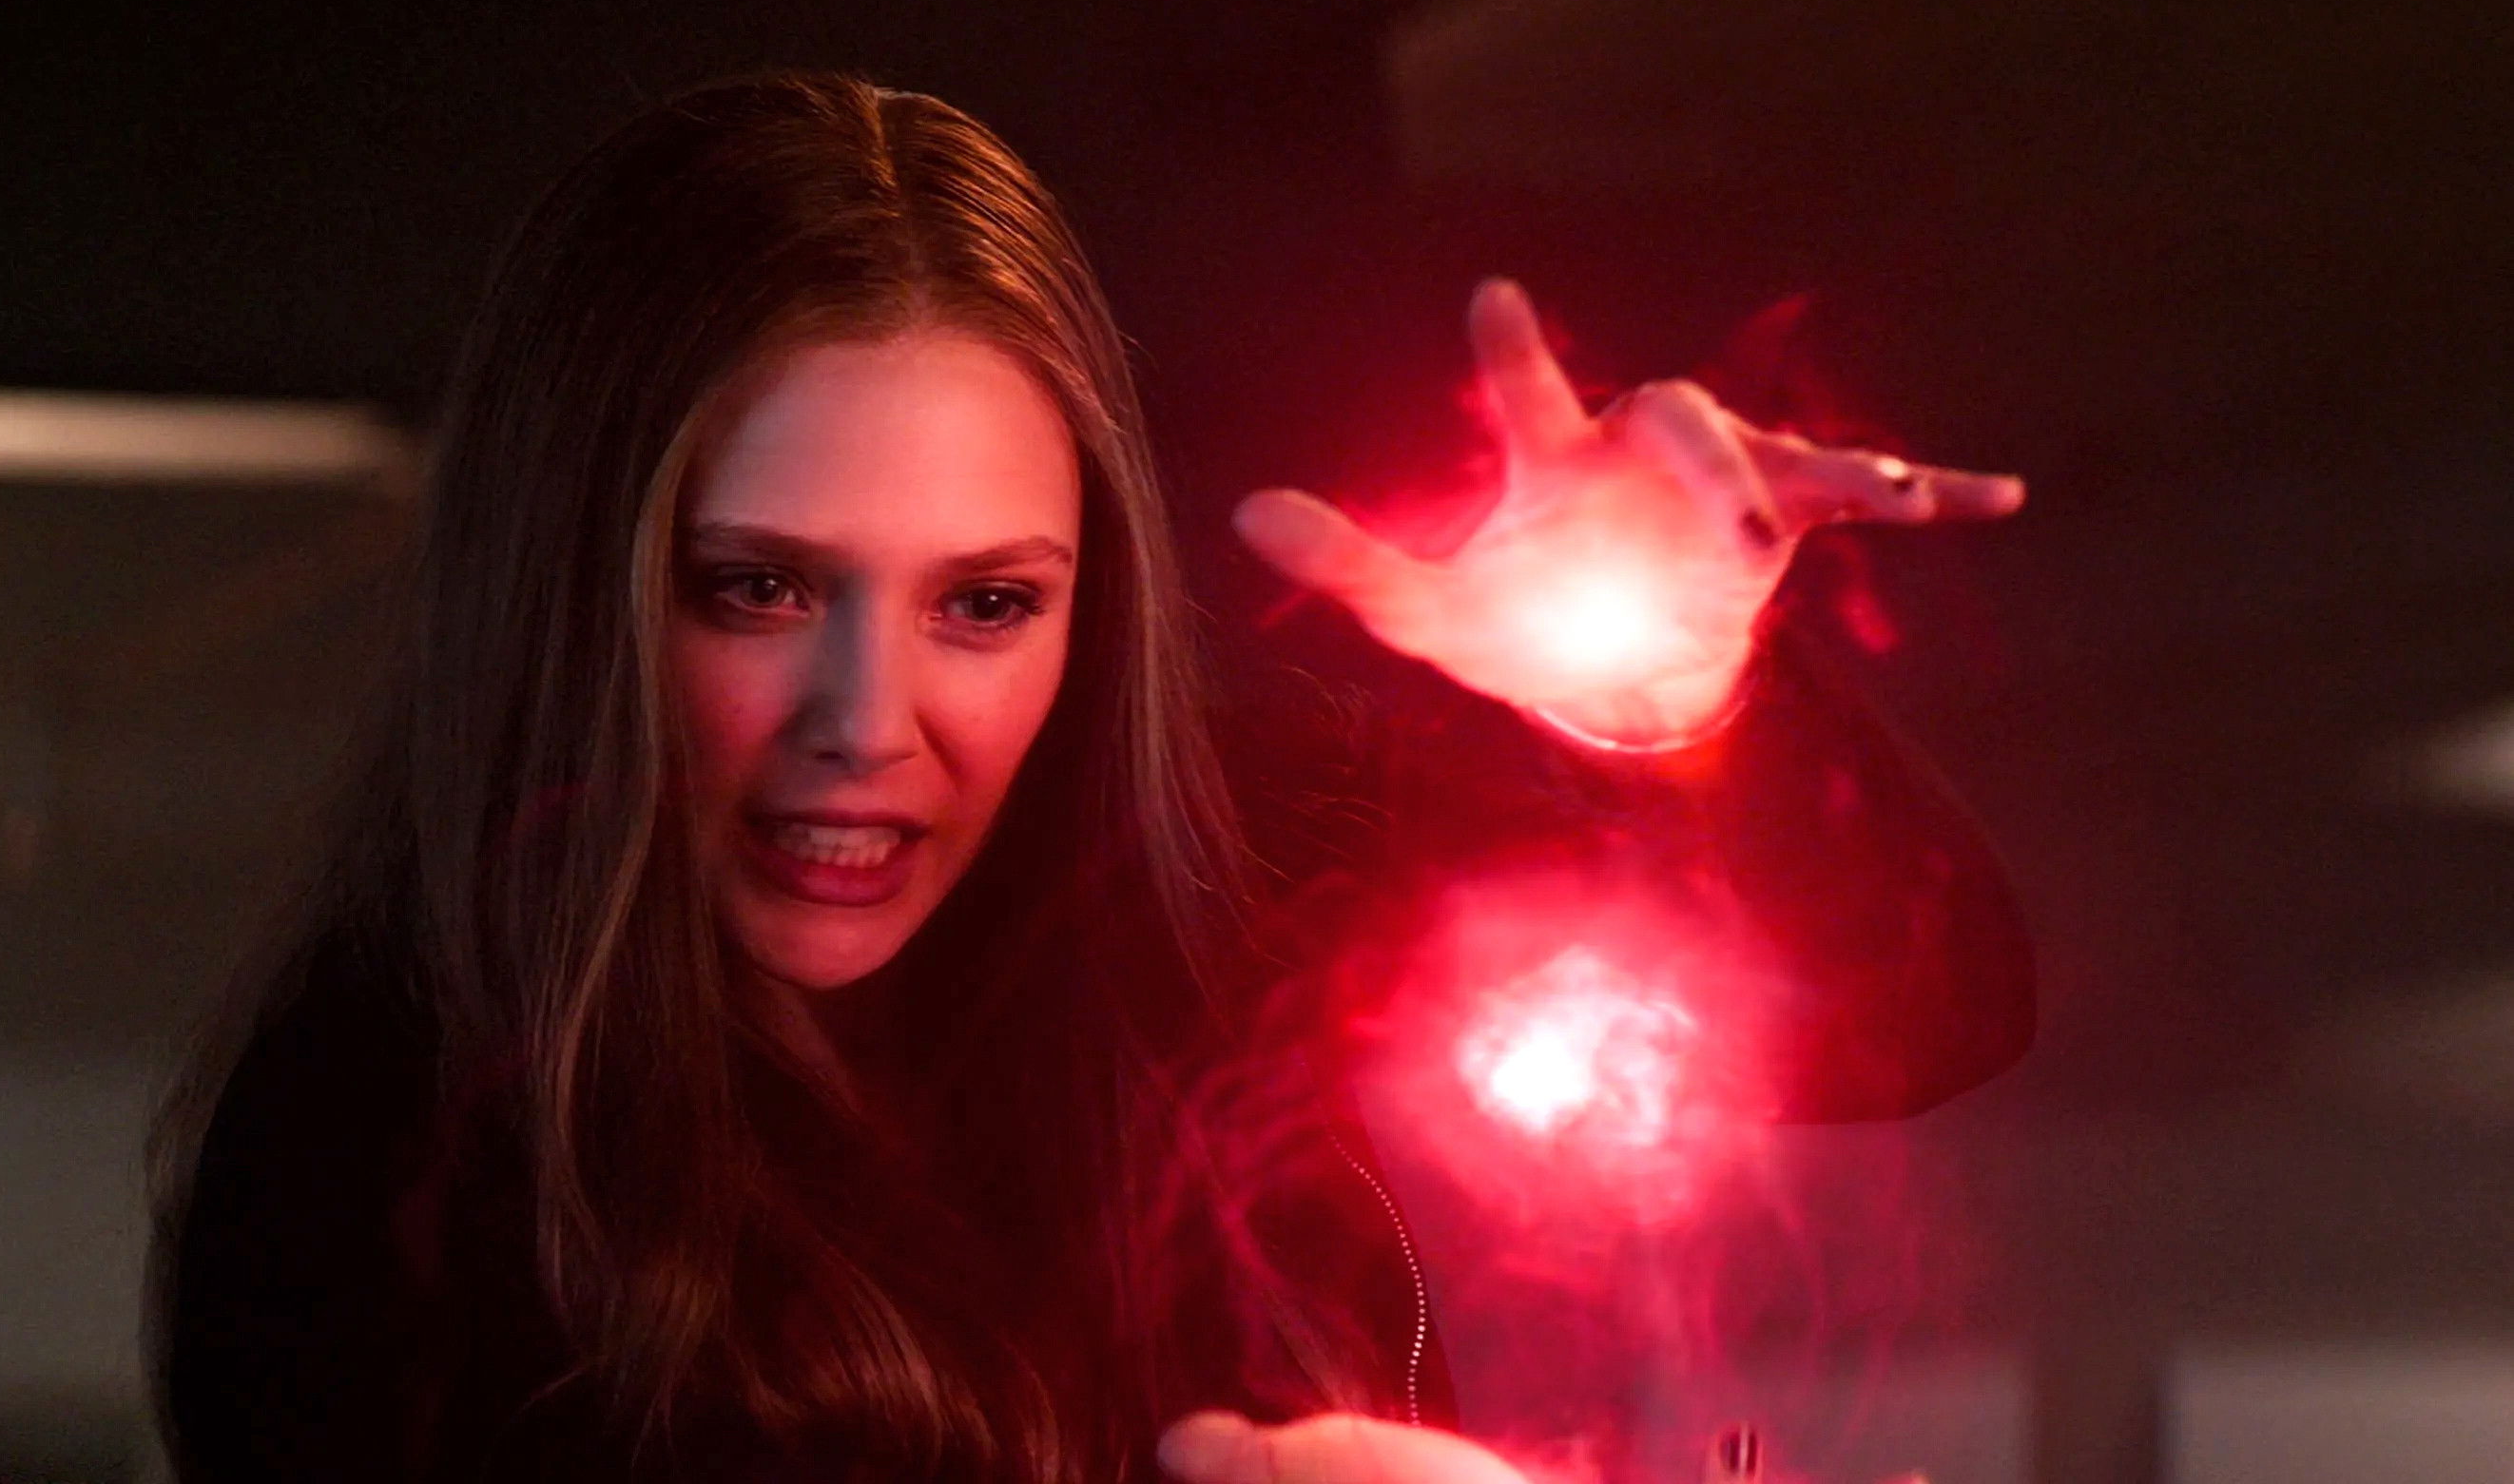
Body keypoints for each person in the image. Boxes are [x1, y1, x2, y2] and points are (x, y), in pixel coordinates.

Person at [148, 71, 2033, 1484]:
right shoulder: (362, 1163)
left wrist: (1674, 702)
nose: (869, 718)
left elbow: (1919, 1008)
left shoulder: (1195, 854)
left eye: (985, 603)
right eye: (757, 589)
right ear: (572, 589)